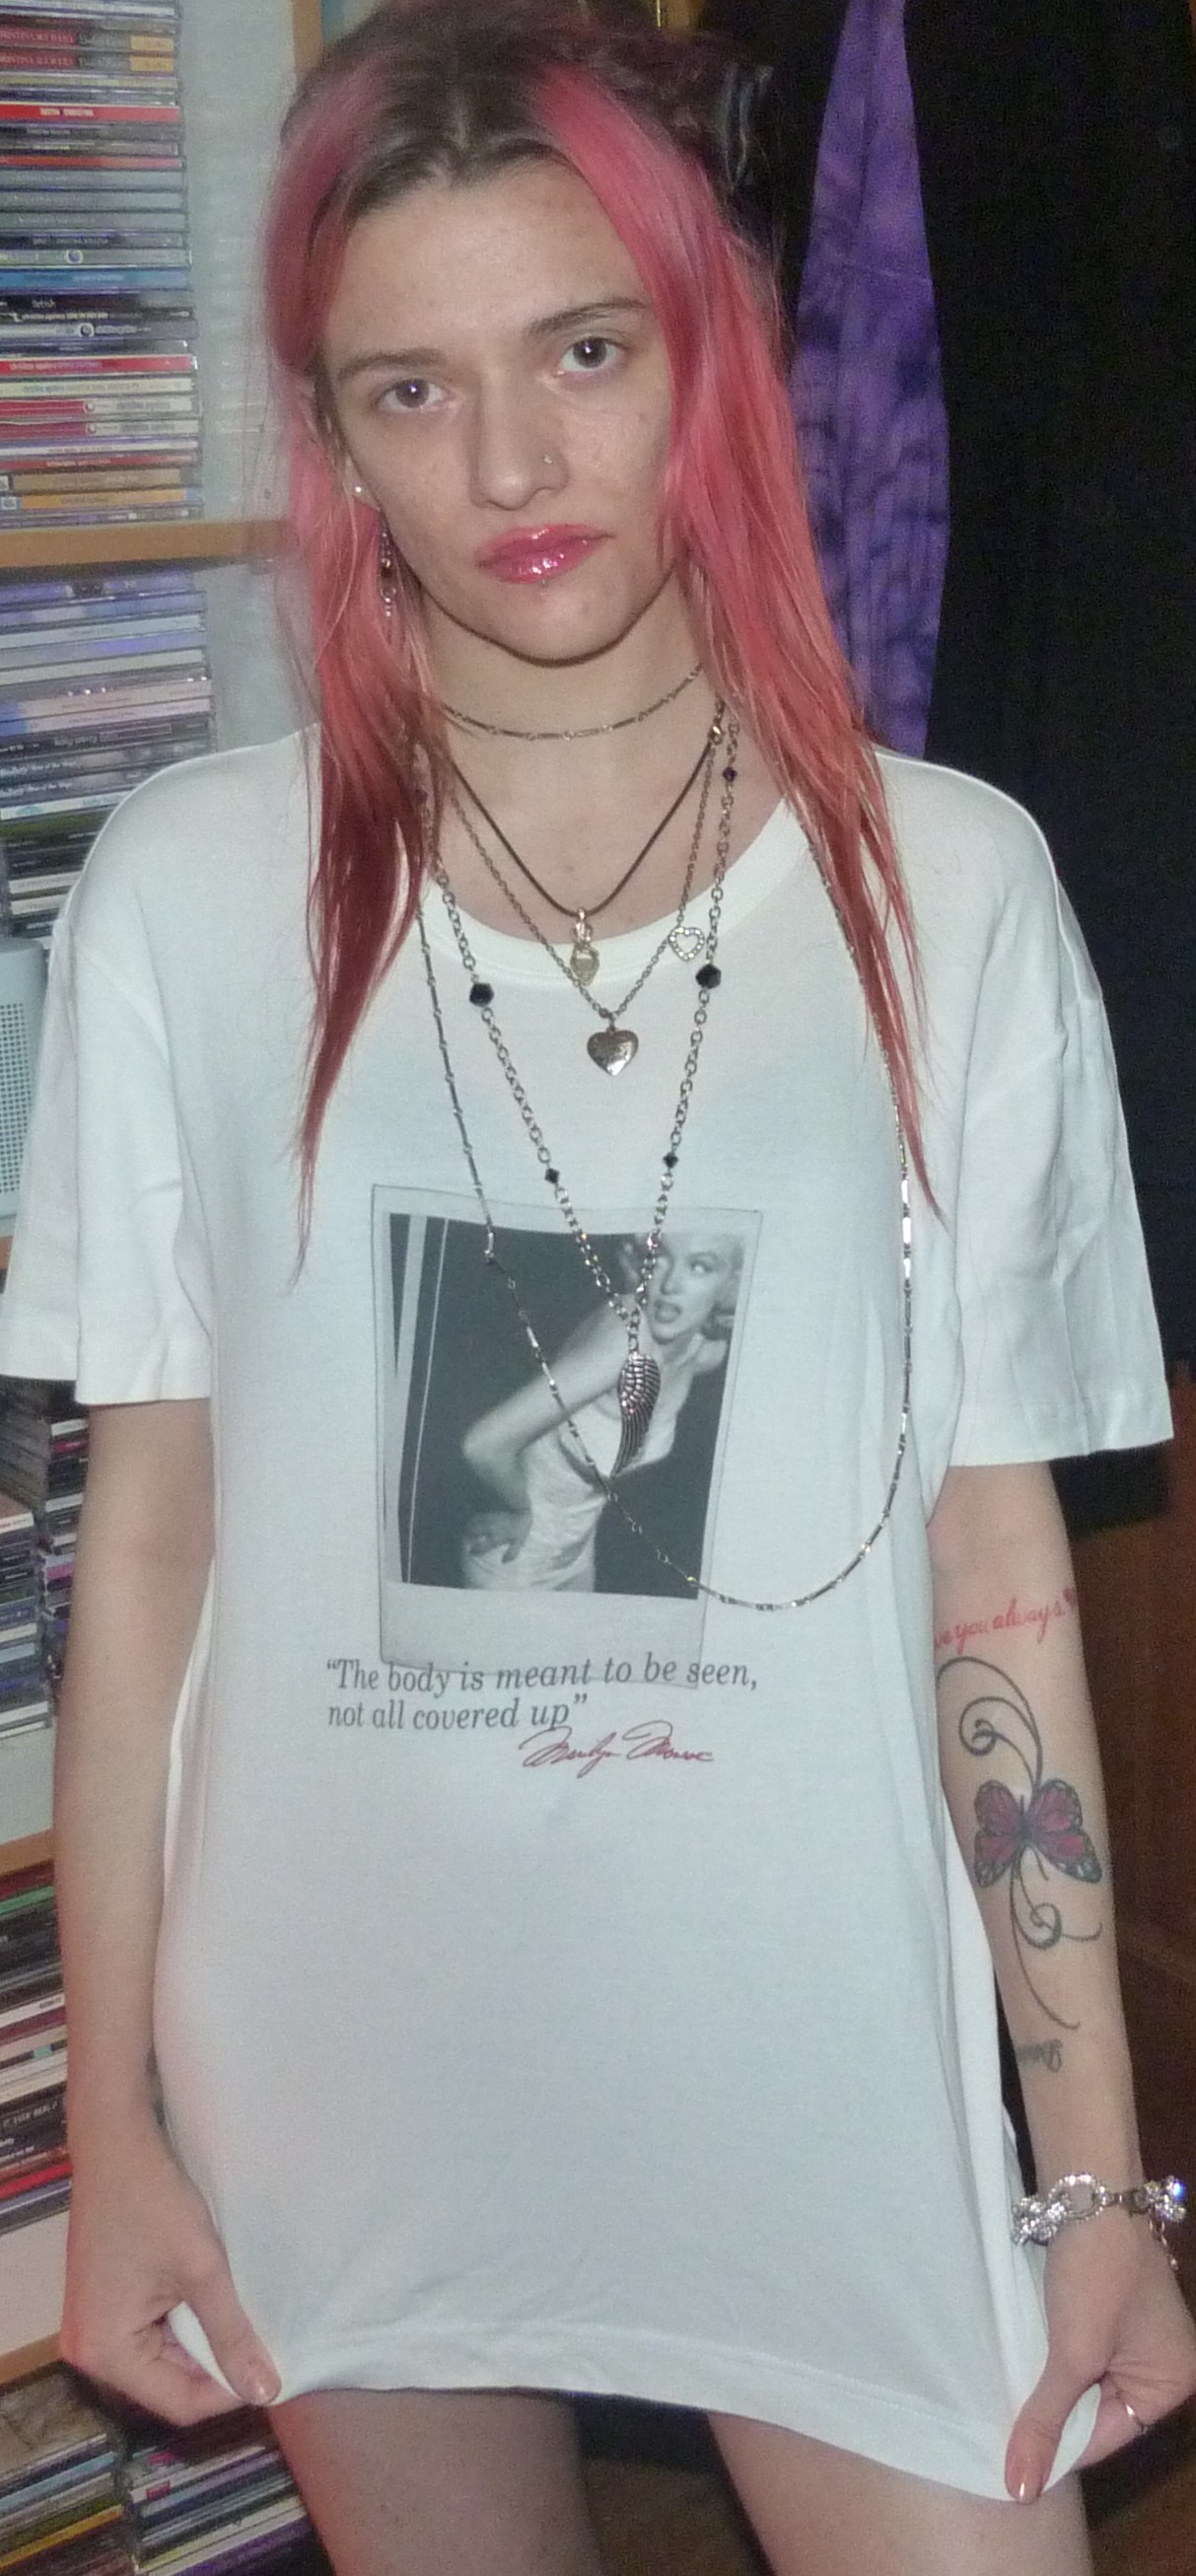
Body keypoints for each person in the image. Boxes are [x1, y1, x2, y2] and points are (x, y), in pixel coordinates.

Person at [1, 6, 1193, 2573]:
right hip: (338, 2034)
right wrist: (110, 2121)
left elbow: (992, 1550)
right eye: (408, 388)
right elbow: (151, 1548)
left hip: (807, 2033)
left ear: (713, 358)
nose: (509, 469)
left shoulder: (953, 882)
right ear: (332, 437)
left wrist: (1096, 2170)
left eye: (578, 352)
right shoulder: (182, 899)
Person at [459, 1231, 740, 1589]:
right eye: (659, 1257)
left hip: (577, 1551)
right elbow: (482, 1445)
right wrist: (521, 1510)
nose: (671, 1284)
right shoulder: (624, 1342)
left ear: (731, 1283)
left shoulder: (706, 1351)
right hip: (514, 1556)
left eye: (700, 1267)